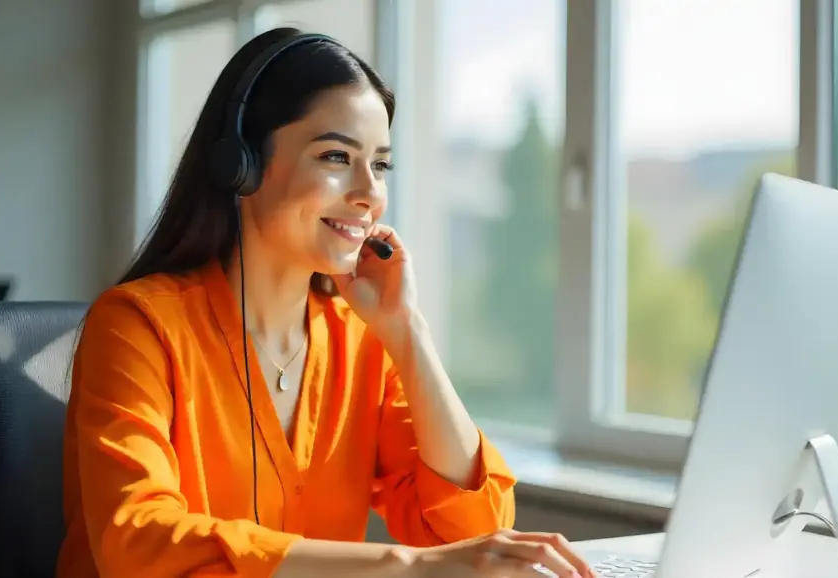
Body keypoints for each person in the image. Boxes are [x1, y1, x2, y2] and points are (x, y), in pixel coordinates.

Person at [55, 27, 595, 578]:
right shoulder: (136, 326)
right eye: (337, 156)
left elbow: (475, 530)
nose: (368, 192)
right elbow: (138, 540)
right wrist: (405, 566)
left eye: (380, 164)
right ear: (240, 163)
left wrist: (409, 333)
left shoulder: (360, 339)